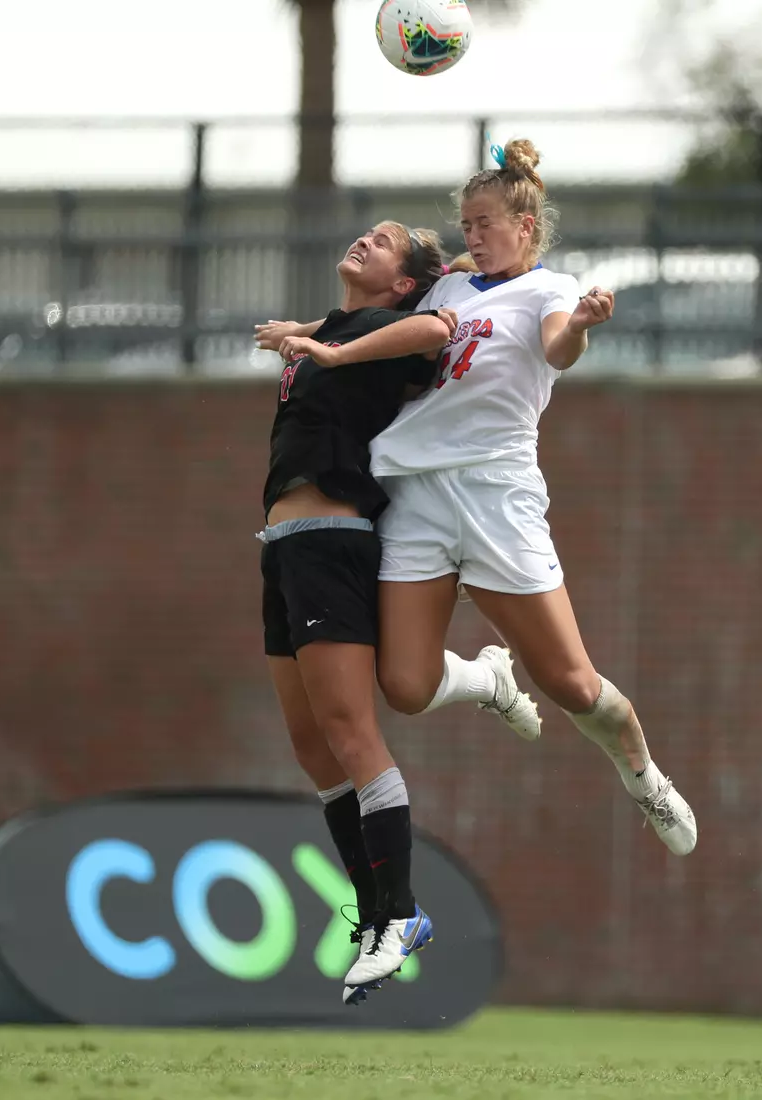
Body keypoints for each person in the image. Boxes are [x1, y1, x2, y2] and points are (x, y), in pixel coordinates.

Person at [277, 139, 698, 856]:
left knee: (570, 683)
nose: (471, 234)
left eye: (483, 222)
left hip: (494, 492)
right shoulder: (445, 291)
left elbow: (559, 347)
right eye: (466, 223)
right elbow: (388, 336)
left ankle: (642, 771)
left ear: (524, 227)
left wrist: (586, 325)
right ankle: (487, 678)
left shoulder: (548, 291)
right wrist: (311, 333)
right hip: (414, 491)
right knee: (405, 685)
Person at [253, 220, 530, 1007]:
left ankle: (402, 913)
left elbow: (440, 327)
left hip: (333, 541)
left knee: (351, 734)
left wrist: (327, 347)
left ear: (403, 282)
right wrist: (312, 334)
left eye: (384, 242)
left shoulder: (387, 329)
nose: (364, 241)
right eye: (365, 233)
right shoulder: (342, 328)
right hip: (282, 547)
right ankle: (376, 914)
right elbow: (349, 330)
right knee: (313, 751)